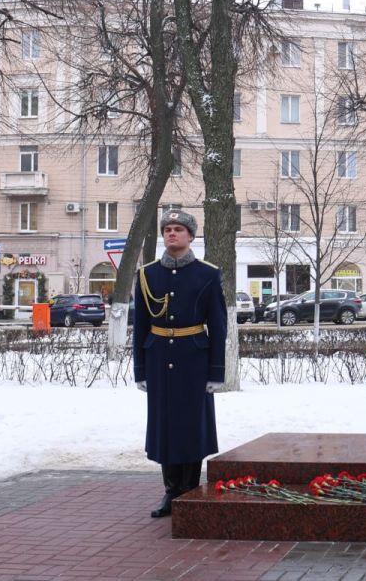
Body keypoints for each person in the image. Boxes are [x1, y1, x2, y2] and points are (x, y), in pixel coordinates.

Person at [133, 210, 227, 518]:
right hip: (159, 357)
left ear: (191, 236)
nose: (172, 233)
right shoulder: (147, 275)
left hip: (193, 360)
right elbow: (141, 325)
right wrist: (140, 369)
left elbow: (219, 325)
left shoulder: (208, 274)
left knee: (191, 426)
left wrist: (216, 371)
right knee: (165, 426)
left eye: (178, 229)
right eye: (168, 229)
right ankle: (171, 491)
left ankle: (189, 490)